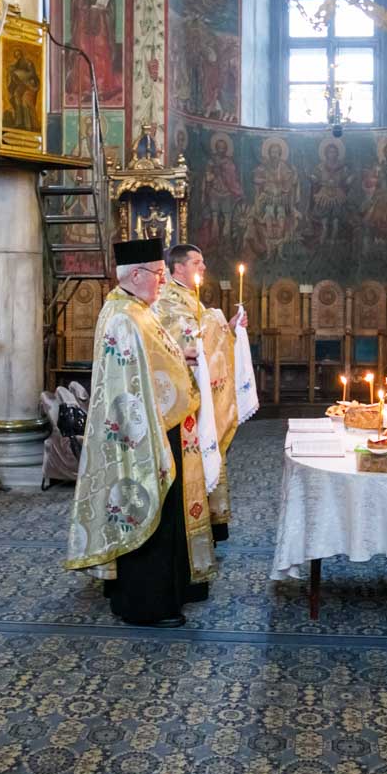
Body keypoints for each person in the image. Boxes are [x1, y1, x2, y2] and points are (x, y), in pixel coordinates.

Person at [64, 239, 214, 627]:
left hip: (160, 426)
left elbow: (151, 364)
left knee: (162, 516)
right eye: (159, 275)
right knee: (148, 513)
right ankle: (146, 605)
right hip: (141, 437)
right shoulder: (123, 317)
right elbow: (127, 385)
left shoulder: (136, 309)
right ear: (135, 275)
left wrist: (182, 357)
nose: (163, 284)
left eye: (164, 275)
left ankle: (160, 593)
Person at [154, 244, 246, 556]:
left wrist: (228, 328)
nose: (203, 267)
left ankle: (208, 525)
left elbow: (206, 337)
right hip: (182, 403)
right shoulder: (167, 300)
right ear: (178, 268)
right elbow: (184, 339)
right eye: (197, 262)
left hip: (200, 396)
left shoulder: (189, 297)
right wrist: (217, 323)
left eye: (203, 261)